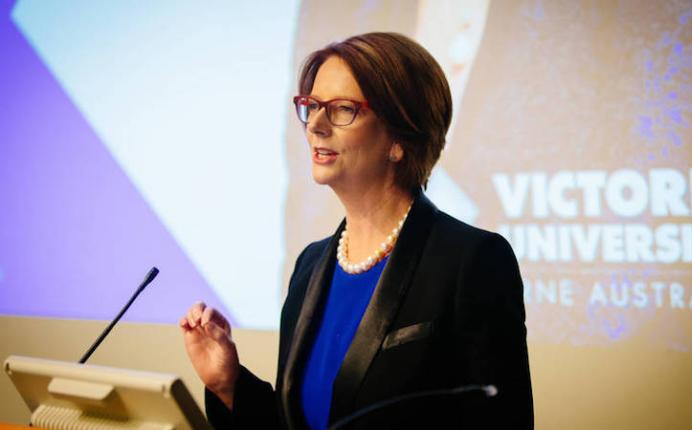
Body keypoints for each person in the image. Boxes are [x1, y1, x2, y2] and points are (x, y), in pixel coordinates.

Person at [180, 32, 533, 429]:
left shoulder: (472, 260)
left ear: (400, 137)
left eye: (342, 109)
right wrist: (228, 383)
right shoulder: (310, 266)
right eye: (311, 106)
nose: (315, 124)